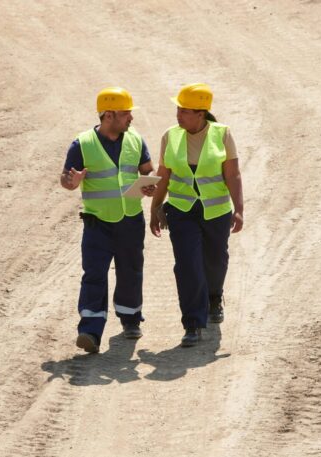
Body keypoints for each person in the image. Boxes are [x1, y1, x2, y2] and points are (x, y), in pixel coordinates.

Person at [61, 87, 155, 354]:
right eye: (126, 114)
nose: (131, 118)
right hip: (97, 223)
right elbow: (66, 180)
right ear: (109, 115)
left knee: (130, 271)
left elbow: (148, 170)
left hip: (130, 220)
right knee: (94, 274)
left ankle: (131, 319)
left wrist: (150, 184)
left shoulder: (135, 140)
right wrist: (72, 181)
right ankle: (90, 331)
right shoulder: (82, 144)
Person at [149, 83, 244, 347]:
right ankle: (192, 323)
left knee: (216, 261)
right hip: (181, 212)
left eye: (184, 111)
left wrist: (239, 210)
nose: (178, 115)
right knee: (187, 265)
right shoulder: (170, 136)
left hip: (216, 211)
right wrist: (155, 208)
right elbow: (164, 174)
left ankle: (214, 297)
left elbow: (233, 174)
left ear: (200, 114)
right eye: (178, 109)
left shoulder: (222, 134)